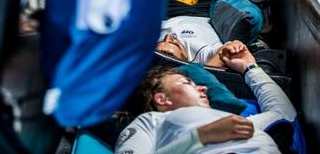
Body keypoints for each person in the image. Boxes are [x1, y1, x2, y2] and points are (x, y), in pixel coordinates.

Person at [115, 42, 297, 153]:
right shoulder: (151, 123)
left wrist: (249, 67)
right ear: (162, 99)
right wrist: (200, 137)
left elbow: (284, 113)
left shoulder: (235, 123)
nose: (202, 87)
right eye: (186, 83)